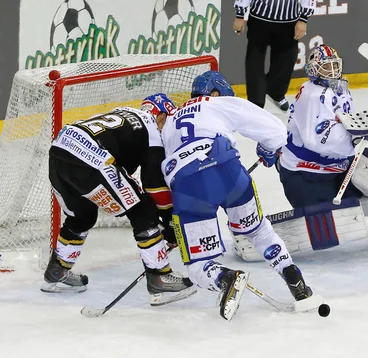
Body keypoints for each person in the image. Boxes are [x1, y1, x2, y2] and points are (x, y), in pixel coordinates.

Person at [158, 70, 316, 321]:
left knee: (198, 265)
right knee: (258, 231)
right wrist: (267, 149)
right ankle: (293, 277)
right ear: (216, 92)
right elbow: (276, 130)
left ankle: (225, 278)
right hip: (228, 173)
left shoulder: (168, 123)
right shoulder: (217, 103)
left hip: (188, 187)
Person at [272, 44, 368, 252]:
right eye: (326, 67)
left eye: (335, 65)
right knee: (333, 220)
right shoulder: (313, 95)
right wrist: (356, 136)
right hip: (306, 175)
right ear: (313, 70)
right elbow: (317, 141)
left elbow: (345, 122)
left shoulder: (339, 87)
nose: (333, 71)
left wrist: (365, 128)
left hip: (336, 167)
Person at [43, 95, 197, 306]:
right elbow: (153, 185)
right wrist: (170, 222)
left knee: (82, 216)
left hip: (60, 149)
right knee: (143, 210)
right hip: (90, 156)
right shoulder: (152, 130)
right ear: (160, 116)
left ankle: (57, 270)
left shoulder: (124, 112)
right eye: (167, 121)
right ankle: (159, 276)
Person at [233, 0, 315, 111]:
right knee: (255, 60)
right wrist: (240, 15)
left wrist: (303, 19)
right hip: (259, 19)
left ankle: (276, 92)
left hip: (289, 21)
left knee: (287, 60)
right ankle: (255, 103)